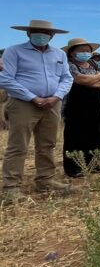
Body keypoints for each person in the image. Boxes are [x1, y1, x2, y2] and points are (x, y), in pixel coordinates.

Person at [0, 20, 73, 202]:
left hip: (52, 103)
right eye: (36, 32)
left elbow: (67, 78)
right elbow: (5, 79)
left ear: (52, 35)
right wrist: (32, 97)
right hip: (23, 104)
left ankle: (45, 180)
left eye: (45, 33)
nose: (41, 35)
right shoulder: (14, 51)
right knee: (18, 145)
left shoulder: (59, 55)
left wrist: (57, 96)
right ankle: (11, 186)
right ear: (28, 33)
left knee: (47, 144)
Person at [61, 38, 100, 177]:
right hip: (74, 107)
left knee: (94, 136)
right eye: (81, 51)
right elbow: (80, 80)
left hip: (94, 106)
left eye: (88, 50)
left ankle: (92, 164)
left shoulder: (93, 63)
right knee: (74, 137)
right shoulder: (69, 65)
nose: (86, 53)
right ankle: (73, 168)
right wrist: (98, 77)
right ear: (71, 53)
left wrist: (92, 81)